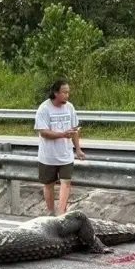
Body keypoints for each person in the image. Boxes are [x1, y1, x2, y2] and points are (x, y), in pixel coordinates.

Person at [34, 78, 85, 215]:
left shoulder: (69, 107)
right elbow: (43, 132)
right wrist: (62, 134)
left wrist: (78, 149)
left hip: (66, 154)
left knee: (66, 182)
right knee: (49, 185)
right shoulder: (44, 109)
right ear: (56, 93)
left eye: (68, 93)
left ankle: (61, 213)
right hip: (48, 155)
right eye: (64, 93)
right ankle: (51, 212)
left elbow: (74, 130)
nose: (67, 95)